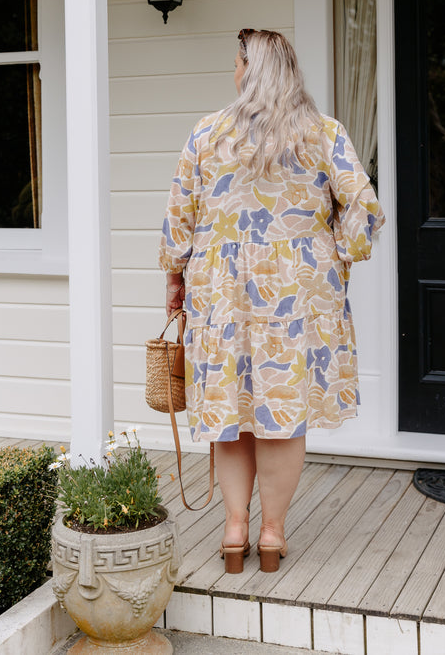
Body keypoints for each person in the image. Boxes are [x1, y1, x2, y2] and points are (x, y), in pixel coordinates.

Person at [159, 29, 384, 574]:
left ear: (249, 69)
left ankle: (234, 529)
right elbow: (366, 210)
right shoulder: (323, 134)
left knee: (232, 411)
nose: (232, 73)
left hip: (221, 294)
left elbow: (177, 223)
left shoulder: (206, 135)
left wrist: (175, 277)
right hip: (298, 295)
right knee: (280, 412)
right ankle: (271, 532)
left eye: (236, 63)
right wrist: (337, 255)